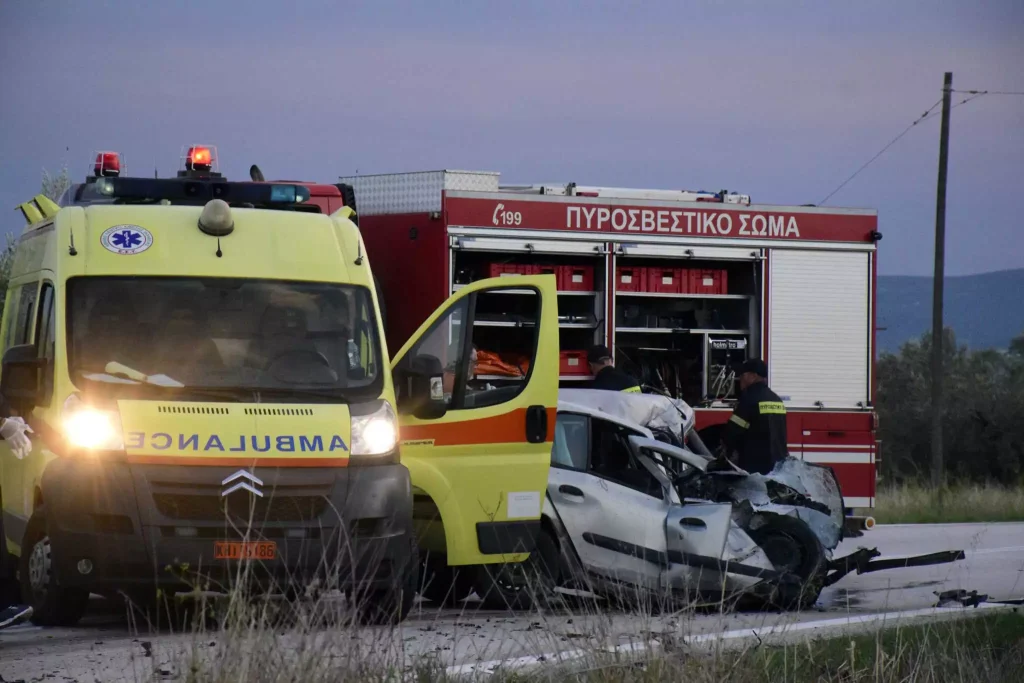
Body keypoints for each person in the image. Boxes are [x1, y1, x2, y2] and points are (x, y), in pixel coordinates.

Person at [720, 358, 788, 475]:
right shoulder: (776, 399)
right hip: (777, 468)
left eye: (743, 374)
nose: (739, 378)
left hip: (755, 468)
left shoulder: (749, 399)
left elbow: (732, 433)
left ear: (753, 376)